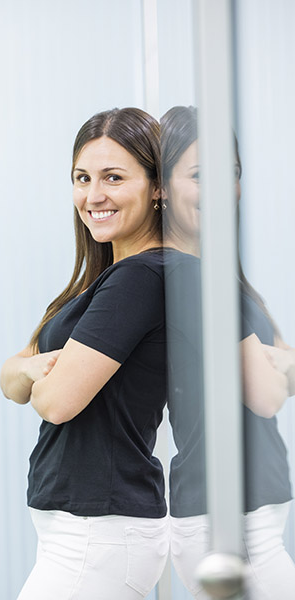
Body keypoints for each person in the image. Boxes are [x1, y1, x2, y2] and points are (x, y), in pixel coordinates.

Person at [0, 107, 171, 600]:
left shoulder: (141, 277)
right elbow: (11, 377)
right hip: (80, 531)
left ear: (158, 186)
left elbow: (56, 403)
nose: (93, 196)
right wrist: (32, 369)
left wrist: (32, 376)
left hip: (99, 532)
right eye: (82, 178)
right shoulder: (97, 282)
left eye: (113, 178)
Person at [159, 105, 295, 599]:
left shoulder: (218, 273)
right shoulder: (188, 275)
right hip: (228, 525)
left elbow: (281, 360)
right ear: (163, 185)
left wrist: (278, 364)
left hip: (245, 520)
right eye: (199, 175)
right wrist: (275, 366)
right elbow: (266, 393)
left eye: (230, 173)